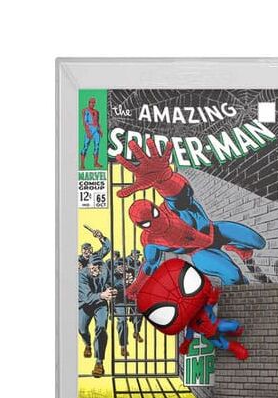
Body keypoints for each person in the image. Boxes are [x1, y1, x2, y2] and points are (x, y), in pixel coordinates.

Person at [115, 139, 266, 299]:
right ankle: (245, 293)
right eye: (147, 223)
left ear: (156, 208)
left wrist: (164, 180)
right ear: (141, 226)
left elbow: (182, 194)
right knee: (233, 276)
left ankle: (238, 247)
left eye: (154, 214)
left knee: (259, 242)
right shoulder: (151, 240)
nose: (156, 223)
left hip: (216, 231)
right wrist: (135, 287)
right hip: (200, 252)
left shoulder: (173, 207)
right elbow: (150, 264)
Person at [78, 255, 117, 377]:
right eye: (93, 266)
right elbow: (87, 297)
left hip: (101, 305)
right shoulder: (81, 275)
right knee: (82, 329)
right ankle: (88, 344)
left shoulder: (105, 270)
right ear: (88, 266)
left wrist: (112, 290)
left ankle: (99, 362)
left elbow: (111, 283)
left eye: (99, 266)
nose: (96, 269)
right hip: (85, 304)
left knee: (101, 327)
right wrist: (102, 295)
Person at [80, 97, 102, 169]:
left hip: (96, 129)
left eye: (94, 102)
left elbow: (98, 122)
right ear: (89, 103)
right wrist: (88, 131)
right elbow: (84, 122)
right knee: (85, 146)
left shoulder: (97, 112)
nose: (92, 104)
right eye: (91, 102)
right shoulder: (85, 110)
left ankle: (95, 163)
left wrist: (100, 130)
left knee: (97, 146)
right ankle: (82, 164)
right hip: (89, 128)